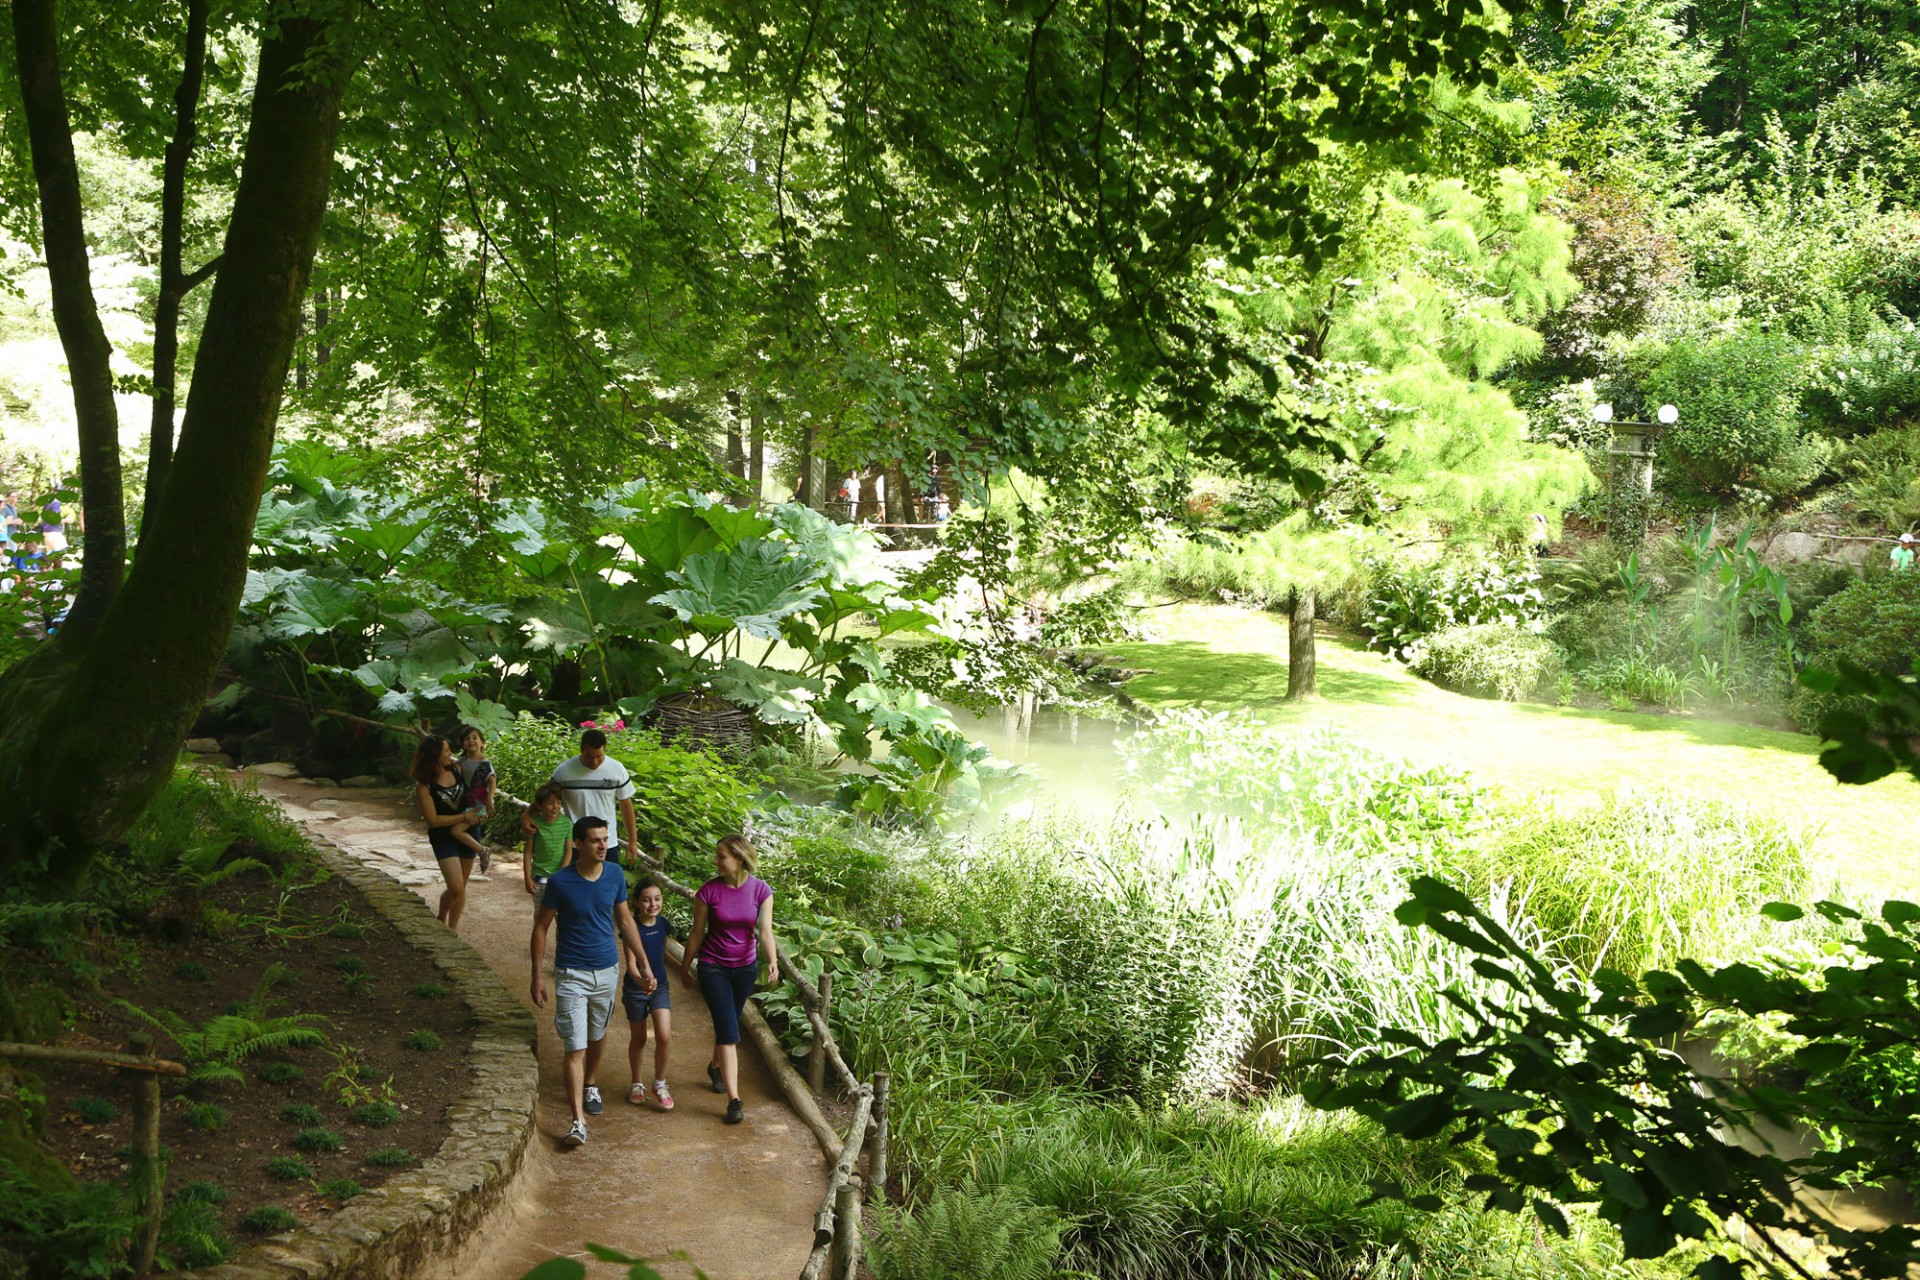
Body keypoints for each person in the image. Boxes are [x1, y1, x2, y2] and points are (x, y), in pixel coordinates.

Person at [530, 817, 655, 1146]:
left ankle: (590, 1083)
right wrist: (535, 974)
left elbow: (626, 920)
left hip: (606, 971)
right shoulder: (560, 882)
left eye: (605, 839)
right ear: (578, 845)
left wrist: (643, 963)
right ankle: (577, 1122)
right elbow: (541, 926)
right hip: (571, 974)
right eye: (595, 840)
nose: (602, 846)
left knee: (598, 1035)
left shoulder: (614, 875)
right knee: (576, 1046)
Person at [679, 834, 778, 1125]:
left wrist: (771, 960)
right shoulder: (707, 892)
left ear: (739, 858)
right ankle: (734, 1100)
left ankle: (714, 1066)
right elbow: (697, 932)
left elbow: (765, 931)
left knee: (728, 1024)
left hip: (745, 967)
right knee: (728, 1032)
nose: (716, 862)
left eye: (721, 856)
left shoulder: (761, 891)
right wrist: (686, 966)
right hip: (713, 968)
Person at [410, 734, 487, 930]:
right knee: (456, 887)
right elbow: (433, 820)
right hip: (443, 837)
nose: (450, 753)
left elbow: (481, 778)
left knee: (461, 889)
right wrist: (463, 817)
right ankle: (441, 918)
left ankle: (451, 930)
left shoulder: (458, 767)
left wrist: (481, 809)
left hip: (469, 832)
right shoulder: (424, 785)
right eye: (446, 751)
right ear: (434, 756)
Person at [542, 728, 639, 866]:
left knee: (606, 884)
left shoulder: (617, 769)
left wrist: (633, 841)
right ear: (581, 750)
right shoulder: (564, 771)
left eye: (599, 756)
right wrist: (529, 816)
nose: (594, 761)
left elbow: (626, 805)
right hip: (575, 843)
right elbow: (547, 798)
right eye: (589, 756)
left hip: (606, 843)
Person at [623, 878, 675, 1110]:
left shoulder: (663, 924)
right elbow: (631, 964)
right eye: (646, 899)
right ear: (636, 902)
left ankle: (660, 1084)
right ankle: (636, 1083)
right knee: (640, 1038)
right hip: (636, 990)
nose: (652, 904)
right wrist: (641, 981)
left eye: (657, 898)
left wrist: (685, 971)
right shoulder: (631, 928)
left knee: (664, 1035)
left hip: (660, 988)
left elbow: (663, 957)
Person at [521, 781, 573, 915]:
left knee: (562, 917)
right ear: (539, 805)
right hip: (539, 878)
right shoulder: (534, 824)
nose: (555, 807)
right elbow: (528, 852)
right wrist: (527, 878)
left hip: (559, 878)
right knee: (540, 917)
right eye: (550, 803)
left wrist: (562, 875)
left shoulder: (566, 824)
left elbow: (568, 851)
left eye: (558, 803)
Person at [456, 724, 498, 873]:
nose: (471, 741)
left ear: (482, 743)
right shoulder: (462, 761)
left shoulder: (484, 764)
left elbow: (492, 781)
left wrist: (489, 800)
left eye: (475, 738)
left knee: (456, 831)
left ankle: (482, 850)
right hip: (464, 804)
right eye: (467, 738)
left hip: (478, 806)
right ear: (462, 743)